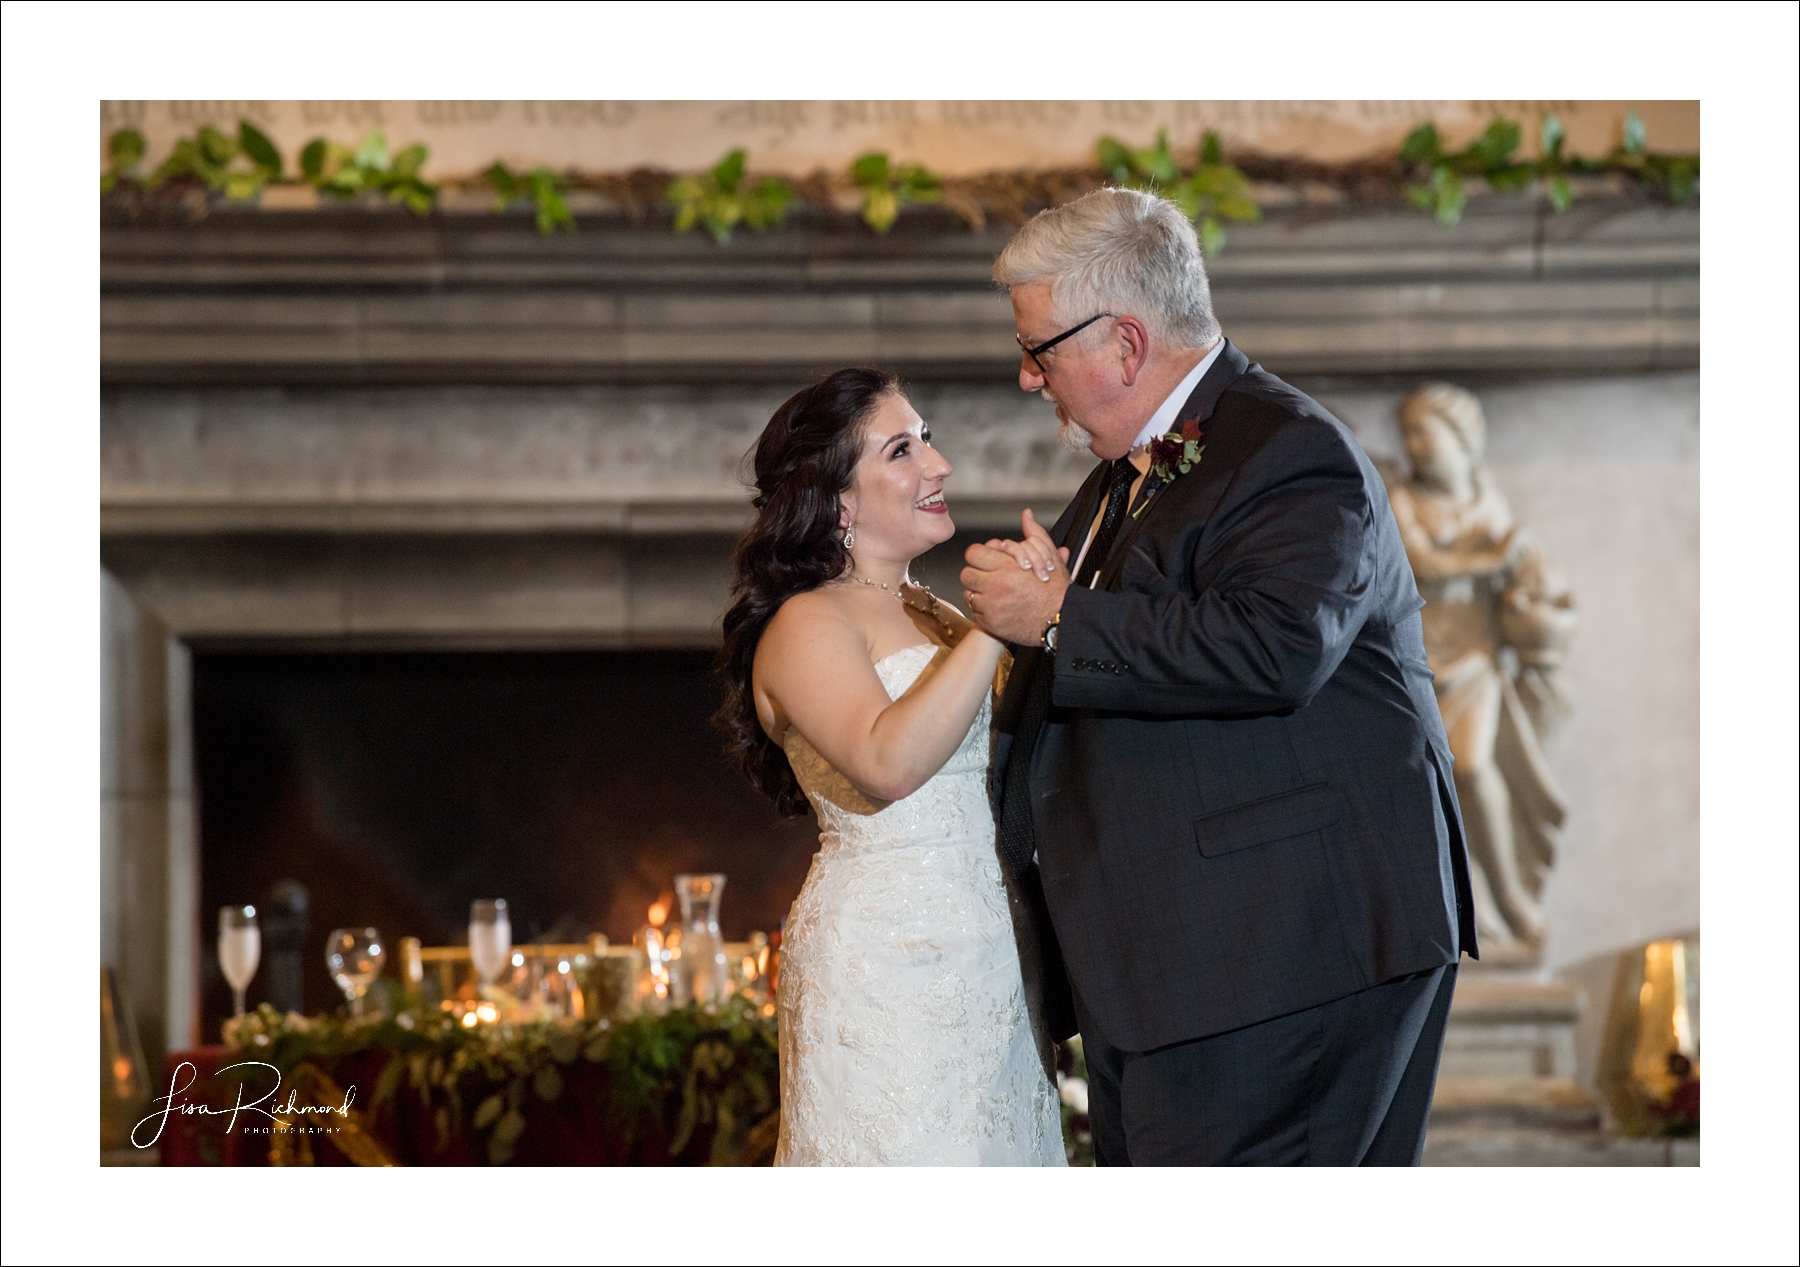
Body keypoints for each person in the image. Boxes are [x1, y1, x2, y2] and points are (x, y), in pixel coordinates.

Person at [961, 187, 1479, 1166]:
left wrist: (1060, 614)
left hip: (1281, 961)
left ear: (1122, 342)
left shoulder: (1291, 452)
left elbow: (1277, 645)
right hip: (1186, 967)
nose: (1029, 379)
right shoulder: (1134, 468)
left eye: (1039, 351)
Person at [716, 367, 1064, 1166]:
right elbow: (887, 761)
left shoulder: (933, 611)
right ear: (839, 499)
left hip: (994, 960)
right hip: (888, 968)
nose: (937, 467)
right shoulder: (808, 622)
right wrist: (997, 626)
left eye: (929, 442)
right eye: (902, 451)